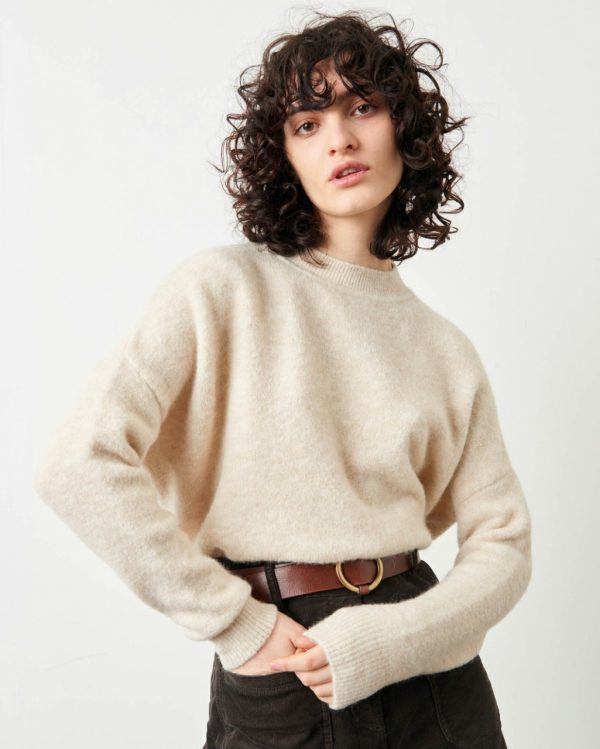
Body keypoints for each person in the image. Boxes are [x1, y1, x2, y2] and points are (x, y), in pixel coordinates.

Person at [34, 9, 532, 748]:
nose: (339, 139)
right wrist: (237, 623)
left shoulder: (445, 349)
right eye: (307, 123)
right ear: (284, 157)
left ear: (405, 129)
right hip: (287, 663)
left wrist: (397, 639)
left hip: (432, 674)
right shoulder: (220, 290)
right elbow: (79, 464)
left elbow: (505, 542)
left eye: (363, 107)